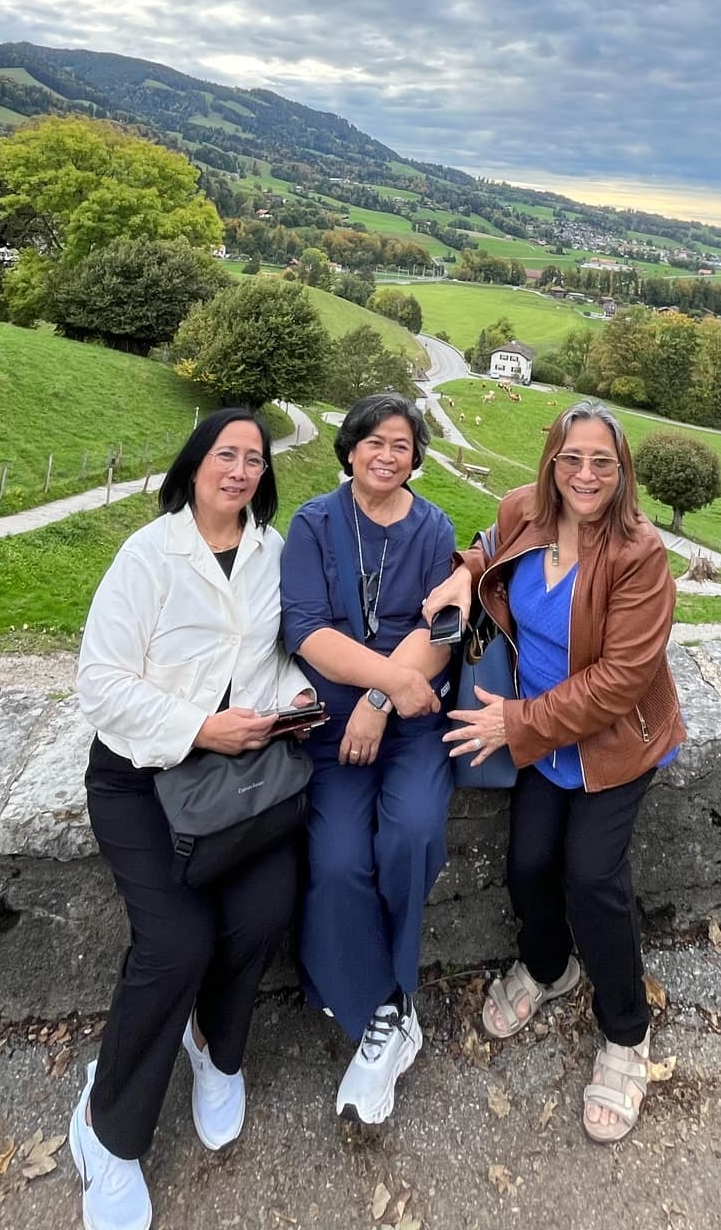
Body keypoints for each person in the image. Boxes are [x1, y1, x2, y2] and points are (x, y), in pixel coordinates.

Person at [69, 407, 316, 1230]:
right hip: (141, 777)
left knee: (263, 910)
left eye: (254, 459)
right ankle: (107, 1131)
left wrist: (294, 701)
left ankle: (217, 1048)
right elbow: (100, 683)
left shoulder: (270, 553)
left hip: (238, 782)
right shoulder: (149, 555)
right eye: (226, 454)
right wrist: (199, 727)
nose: (241, 469)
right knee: (175, 942)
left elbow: (273, 659)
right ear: (196, 463)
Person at [428, 401, 685, 1144]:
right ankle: (548, 970)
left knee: (592, 877)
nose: (586, 474)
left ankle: (626, 1033)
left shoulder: (640, 554)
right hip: (543, 739)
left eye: (603, 462)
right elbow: (489, 546)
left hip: (612, 741)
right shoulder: (524, 512)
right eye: (572, 458)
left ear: (622, 471)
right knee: (528, 864)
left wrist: (515, 724)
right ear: (550, 462)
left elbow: (620, 681)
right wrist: (462, 577)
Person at [279, 391, 458, 1124]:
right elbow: (306, 631)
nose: (388, 455)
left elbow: (441, 630)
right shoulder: (315, 523)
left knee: (412, 833)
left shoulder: (434, 525)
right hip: (332, 727)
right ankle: (383, 1004)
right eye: (374, 442)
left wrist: (382, 703)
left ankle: (395, 995)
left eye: (402, 445)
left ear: (416, 457)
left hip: (408, 720)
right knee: (337, 860)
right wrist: (372, 694)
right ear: (349, 448)